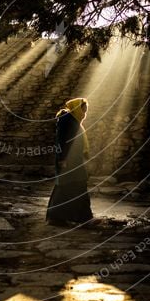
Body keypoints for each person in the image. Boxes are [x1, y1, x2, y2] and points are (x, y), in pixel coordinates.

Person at [46, 97, 93, 226]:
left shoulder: (74, 121)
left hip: (75, 160)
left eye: (86, 112)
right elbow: (61, 140)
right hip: (67, 160)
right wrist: (62, 159)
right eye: (83, 111)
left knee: (71, 186)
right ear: (77, 109)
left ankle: (60, 218)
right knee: (70, 186)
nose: (84, 114)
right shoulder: (66, 120)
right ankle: (82, 219)